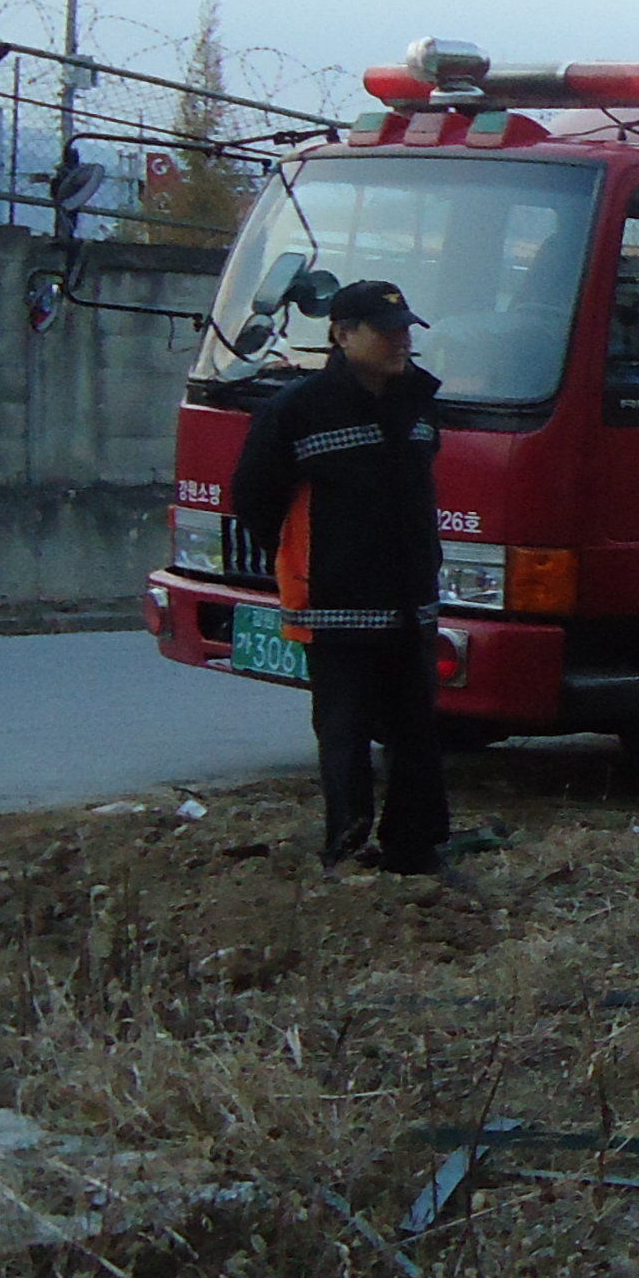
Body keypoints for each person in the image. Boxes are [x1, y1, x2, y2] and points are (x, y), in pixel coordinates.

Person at [230, 277, 454, 878]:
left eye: (405, 330)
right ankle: (348, 853)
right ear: (342, 335)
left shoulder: (419, 400)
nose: (401, 341)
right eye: (387, 332)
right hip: (337, 607)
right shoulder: (298, 410)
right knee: (345, 736)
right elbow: (254, 498)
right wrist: (313, 561)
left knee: (417, 734)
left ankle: (416, 851)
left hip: (410, 603)